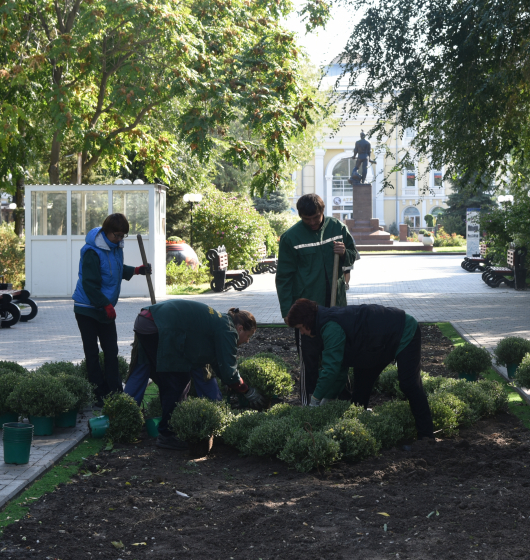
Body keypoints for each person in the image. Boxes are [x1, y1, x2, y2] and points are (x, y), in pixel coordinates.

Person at [286, 298, 434, 439]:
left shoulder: (330, 327)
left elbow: (330, 369)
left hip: (403, 331)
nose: (302, 333)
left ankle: (426, 436)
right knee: (360, 392)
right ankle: (358, 435)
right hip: (373, 347)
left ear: (307, 322)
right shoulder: (324, 324)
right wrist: (327, 400)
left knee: (409, 384)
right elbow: (339, 372)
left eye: (300, 328)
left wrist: (315, 400)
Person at [131, 299, 267, 450]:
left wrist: (233, 384)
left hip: (148, 320)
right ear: (240, 328)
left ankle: (167, 429)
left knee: (172, 380)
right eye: (249, 336)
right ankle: (167, 435)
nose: (247, 341)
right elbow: (229, 370)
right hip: (158, 325)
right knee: (177, 381)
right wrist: (246, 390)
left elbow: (218, 363)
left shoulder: (221, 322)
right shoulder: (228, 330)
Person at [276, 193, 360, 405]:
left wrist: (344, 254)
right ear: (300, 216)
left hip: (336, 307)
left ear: (323, 211)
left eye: (316, 217)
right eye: (307, 219)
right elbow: (284, 278)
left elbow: (353, 254)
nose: (313, 223)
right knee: (310, 358)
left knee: (340, 355)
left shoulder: (337, 228)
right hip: (308, 313)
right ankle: (308, 404)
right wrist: (288, 311)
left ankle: (341, 402)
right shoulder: (291, 238)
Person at [72, 213, 151, 407]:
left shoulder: (116, 248)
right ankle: (98, 393)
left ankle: (115, 391)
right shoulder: (91, 251)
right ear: (106, 231)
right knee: (92, 352)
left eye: (123, 235)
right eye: (117, 234)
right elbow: (90, 284)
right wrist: (105, 304)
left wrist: (136, 270)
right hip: (87, 308)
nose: (120, 239)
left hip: (105, 308)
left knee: (111, 350)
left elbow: (115, 269)